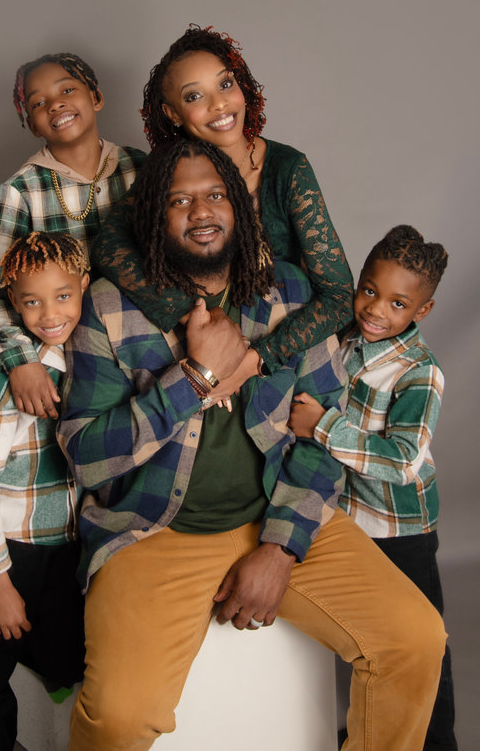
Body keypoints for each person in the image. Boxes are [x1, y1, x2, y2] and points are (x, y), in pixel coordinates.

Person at [58, 139, 445, 751]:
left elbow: (322, 432)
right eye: (179, 200)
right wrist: (193, 379)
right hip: (154, 531)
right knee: (119, 715)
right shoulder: (107, 309)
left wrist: (282, 549)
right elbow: (84, 454)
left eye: (215, 195)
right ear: (155, 216)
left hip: (279, 511)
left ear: (238, 206)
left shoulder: (292, 295)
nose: (202, 211)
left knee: (416, 638)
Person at [92, 25, 354, 398]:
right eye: (195, 95)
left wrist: (252, 362)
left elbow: (340, 297)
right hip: (187, 353)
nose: (218, 104)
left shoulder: (287, 169)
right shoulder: (167, 173)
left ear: (243, 85)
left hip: (278, 362)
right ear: (173, 113)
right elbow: (108, 245)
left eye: (225, 84)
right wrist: (188, 314)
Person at [290, 224, 457, 750]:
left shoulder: (418, 373)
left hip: (400, 527)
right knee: (367, 631)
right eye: (369, 290)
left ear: (421, 312)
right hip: (348, 517)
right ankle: (370, 723)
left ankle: (436, 740)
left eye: (397, 304)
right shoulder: (348, 338)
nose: (376, 310)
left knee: (422, 641)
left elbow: (403, 461)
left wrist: (321, 426)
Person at [0, 231, 90, 751]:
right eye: (31, 301)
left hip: (65, 548)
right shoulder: (2, 378)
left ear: (84, 287)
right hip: (10, 554)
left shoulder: (85, 357)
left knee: (64, 662)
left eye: (63, 296)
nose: (49, 313)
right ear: (12, 301)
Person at [0, 51, 146, 421]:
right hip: (68, 352)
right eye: (39, 103)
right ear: (32, 124)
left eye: (67, 89)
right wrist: (22, 361)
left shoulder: (141, 169)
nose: (56, 105)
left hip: (141, 341)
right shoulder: (21, 190)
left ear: (96, 97)